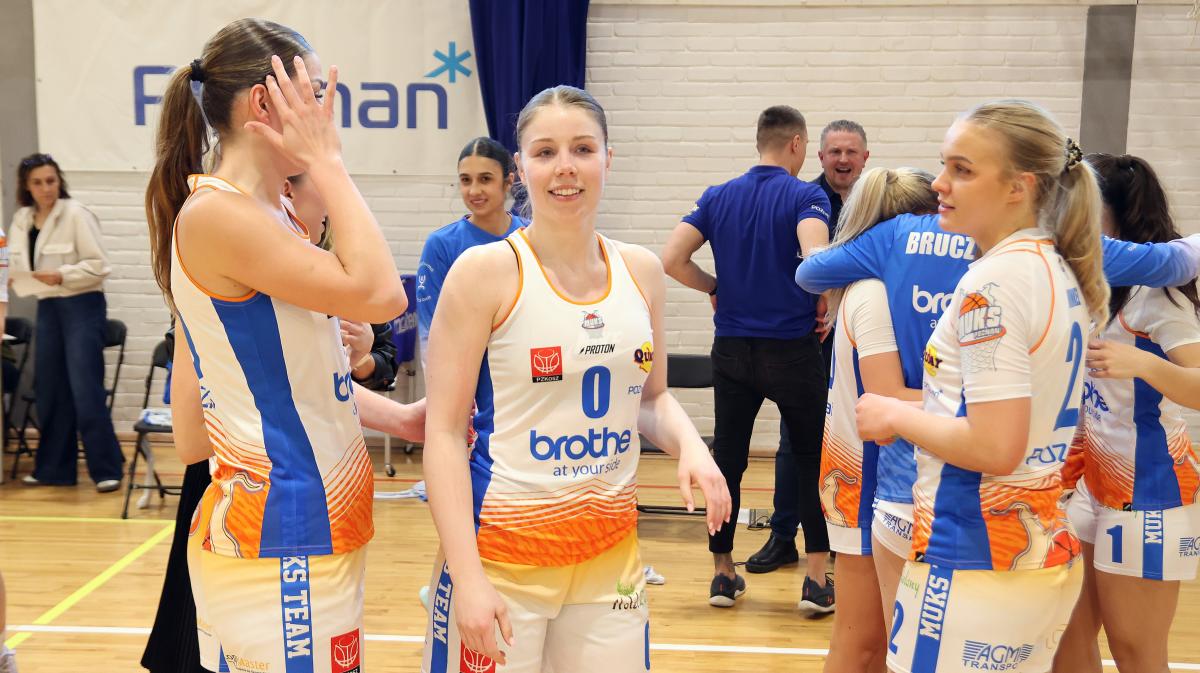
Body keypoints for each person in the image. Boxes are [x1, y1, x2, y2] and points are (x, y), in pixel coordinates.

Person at [421, 85, 730, 673]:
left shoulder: (641, 270)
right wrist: (468, 577)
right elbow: (442, 433)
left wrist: (693, 447)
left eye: (583, 149)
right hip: (502, 555)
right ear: (521, 168)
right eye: (545, 152)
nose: (565, 167)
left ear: (608, 158)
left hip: (609, 561)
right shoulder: (484, 272)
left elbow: (651, 398)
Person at [144, 19, 421, 672]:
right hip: (280, 533)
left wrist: (403, 418)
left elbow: (298, 383)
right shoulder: (219, 214)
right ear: (264, 103)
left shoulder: (276, 216)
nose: (327, 112)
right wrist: (328, 160)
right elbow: (385, 294)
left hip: (311, 527)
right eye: (315, 94)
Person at [853, 99, 1107, 673]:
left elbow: (996, 446)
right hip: (1029, 551)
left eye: (962, 170)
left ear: (1019, 186)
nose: (939, 184)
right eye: (945, 165)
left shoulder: (992, 283)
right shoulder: (1050, 266)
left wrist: (894, 415)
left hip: (971, 555)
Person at [662, 105, 833, 610]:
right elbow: (817, 261)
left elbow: (672, 260)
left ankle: (722, 572)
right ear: (797, 144)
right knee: (810, 459)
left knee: (728, 461)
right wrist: (822, 300)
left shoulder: (718, 196)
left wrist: (715, 287)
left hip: (733, 351)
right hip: (791, 350)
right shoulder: (806, 195)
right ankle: (816, 580)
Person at [1053, 154, 1200, 673]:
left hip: (1149, 496)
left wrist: (1143, 364)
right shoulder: (1096, 284)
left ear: (1112, 214)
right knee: (1063, 636)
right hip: (1092, 486)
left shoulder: (1159, 297)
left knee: (1135, 651)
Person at [819, 167, 935, 673]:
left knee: (882, 645)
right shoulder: (871, 290)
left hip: (876, 471)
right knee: (862, 643)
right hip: (863, 476)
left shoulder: (880, 286)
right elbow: (887, 397)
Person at [753, 118, 871, 578]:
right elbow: (792, 268)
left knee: (855, 436)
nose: (842, 159)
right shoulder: (803, 199)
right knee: (794, 442)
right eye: (834, 151)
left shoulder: (877, 205)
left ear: (865, 157)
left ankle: (846, 533)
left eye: (851, 151)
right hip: (811, 336)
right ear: (819, 156)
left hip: (861, 340)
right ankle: (783, 536)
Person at [7, 153, 123, 492]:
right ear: (27, 187)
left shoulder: (76, 214)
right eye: (38, 183)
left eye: (51, 181)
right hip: (48, 306)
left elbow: (99, 266)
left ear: (59, 181)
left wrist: (62, 275)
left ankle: (106, 468)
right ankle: (54, 469)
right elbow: (16, 260)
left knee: (85, 387)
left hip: (82, 305)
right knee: (50, 388)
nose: (46, 188)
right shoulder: (21, 219)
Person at [416, 136, 526, 368]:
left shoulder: (532, 236)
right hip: (466, 379)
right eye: (466, 180)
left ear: (508, 181)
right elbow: (430, 332)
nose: (474, 190)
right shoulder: (441, 244)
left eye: (485, 179)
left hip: (527, 374)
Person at [284, 172, 399, 391]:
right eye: (322, 189)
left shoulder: (339, 261)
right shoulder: (259, 267)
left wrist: (358, 357)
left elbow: (385, 363)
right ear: (286, 191)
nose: (329, 207)